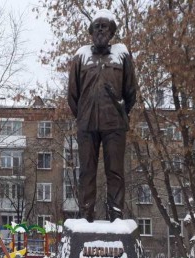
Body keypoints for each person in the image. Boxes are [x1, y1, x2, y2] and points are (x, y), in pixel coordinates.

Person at [68, 9, 138, 223]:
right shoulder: (80, 56)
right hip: (87, 124)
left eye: (104, 25)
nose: (100, 29)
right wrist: (82, 115)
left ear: (111, 31)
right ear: (91, 31)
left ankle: (116, 217)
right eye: (96, 25)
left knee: (115, 172)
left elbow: (131, 92)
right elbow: (72, 95)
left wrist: (118, 112)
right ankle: (85, 215)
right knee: (86, 172)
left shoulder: (122, 54)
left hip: (114, 124)